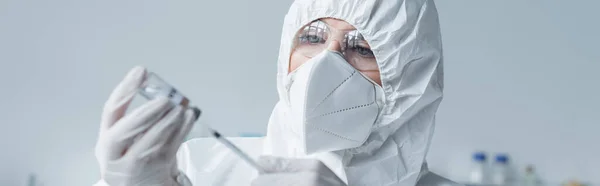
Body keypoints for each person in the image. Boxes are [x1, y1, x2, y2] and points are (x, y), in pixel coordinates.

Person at [94, 0, 460, 185]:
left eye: (361, 49)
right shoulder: (198, 169)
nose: (324, 65)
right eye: (312, 38)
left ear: (411, 79)